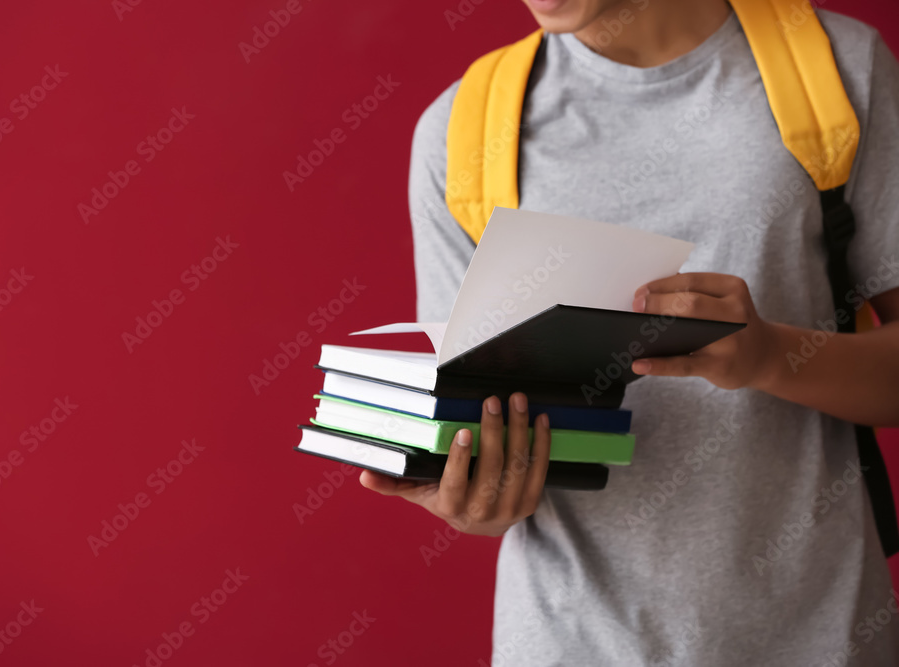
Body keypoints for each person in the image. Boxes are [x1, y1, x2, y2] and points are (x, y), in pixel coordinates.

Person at [358, 0, 899, 664]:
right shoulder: (463, 133)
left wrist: (772, 355)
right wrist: (476, 501)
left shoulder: (838, 70)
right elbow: (471, 430)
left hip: (822, 639)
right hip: (566, 642)